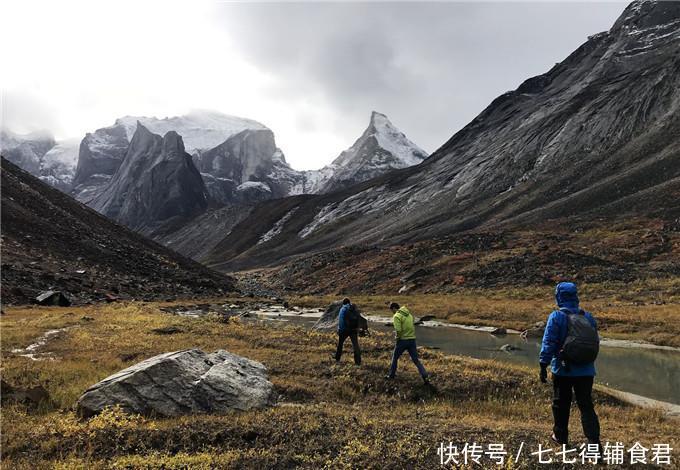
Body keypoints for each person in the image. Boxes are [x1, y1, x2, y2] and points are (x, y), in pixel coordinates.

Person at [539, 282, 601, 449]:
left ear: (559, 297)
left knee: (561, 403)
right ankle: (594, 444)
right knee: (586, 405)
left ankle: (560, 436)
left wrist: (543, 364)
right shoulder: (588, 317)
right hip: (586, 370)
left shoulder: (557, 316)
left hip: (563, 369)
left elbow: (549, 342)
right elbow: (595, 342)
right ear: (576, 296)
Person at [386, 302, 429, 383]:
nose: (392, 312)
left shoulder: (397, 316)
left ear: (394, 308)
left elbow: (398, 330)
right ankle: (425, 376)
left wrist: (397, 338)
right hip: (412, 339)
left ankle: (391, 375)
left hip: (402, 340)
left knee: (394, 358)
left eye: (391, 310)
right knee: (416, 360)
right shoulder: (409, 315)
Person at [334, 298, 361, 365]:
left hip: (344, 330)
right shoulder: (354, 308)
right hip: (353, 330)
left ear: (343, 303)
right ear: (349, 302)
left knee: (340, 344)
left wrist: (339, 329)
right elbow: (359, 318)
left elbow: (341, 321)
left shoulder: (342, 309)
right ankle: (358, 362)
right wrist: (357, 328)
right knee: (356, 346)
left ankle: (337, 358)